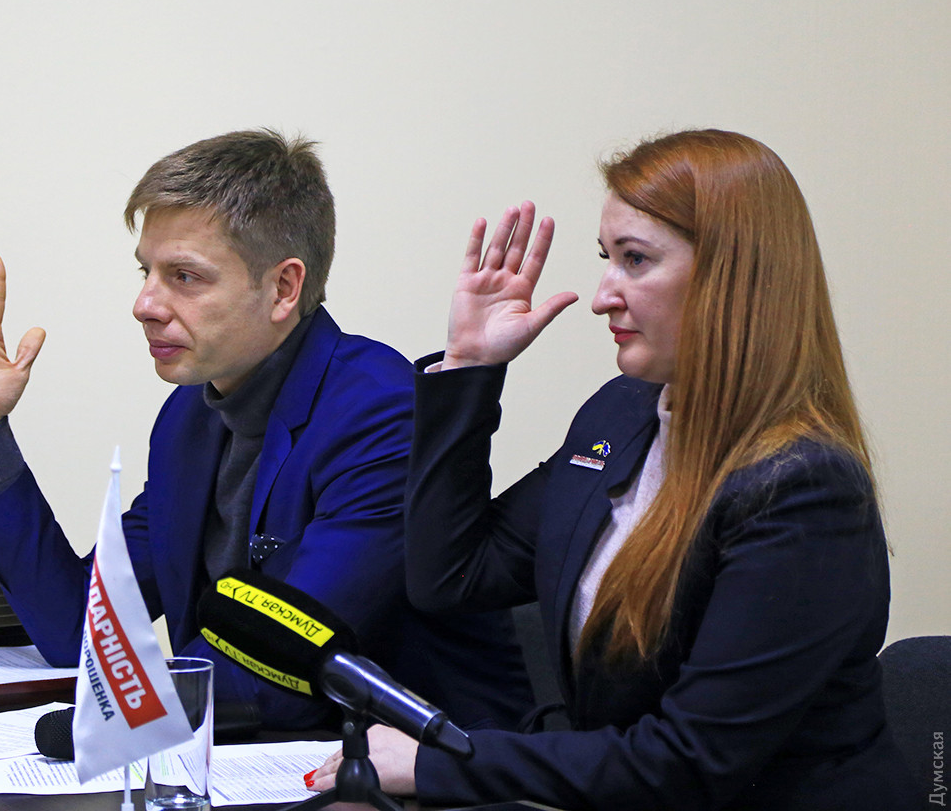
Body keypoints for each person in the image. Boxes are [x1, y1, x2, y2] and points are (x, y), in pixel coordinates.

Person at [307, 130, 915, 809]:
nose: (602, 297)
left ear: (731, 276)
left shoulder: (803, 488)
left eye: (635, 260)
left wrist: (439, 764)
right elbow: (452, 577)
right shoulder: (622, 413)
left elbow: (687, 762)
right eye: (607, 259)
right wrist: (469, 367)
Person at [0, 128, 531, 731]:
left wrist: (90, 724)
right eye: (146, 272)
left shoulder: (379, 412)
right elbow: (83, 629)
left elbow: (283, 666)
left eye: (185, 277)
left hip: (425, 768)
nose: (144, 304)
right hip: (251, 758)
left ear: (283, 288)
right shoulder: (190, 417)